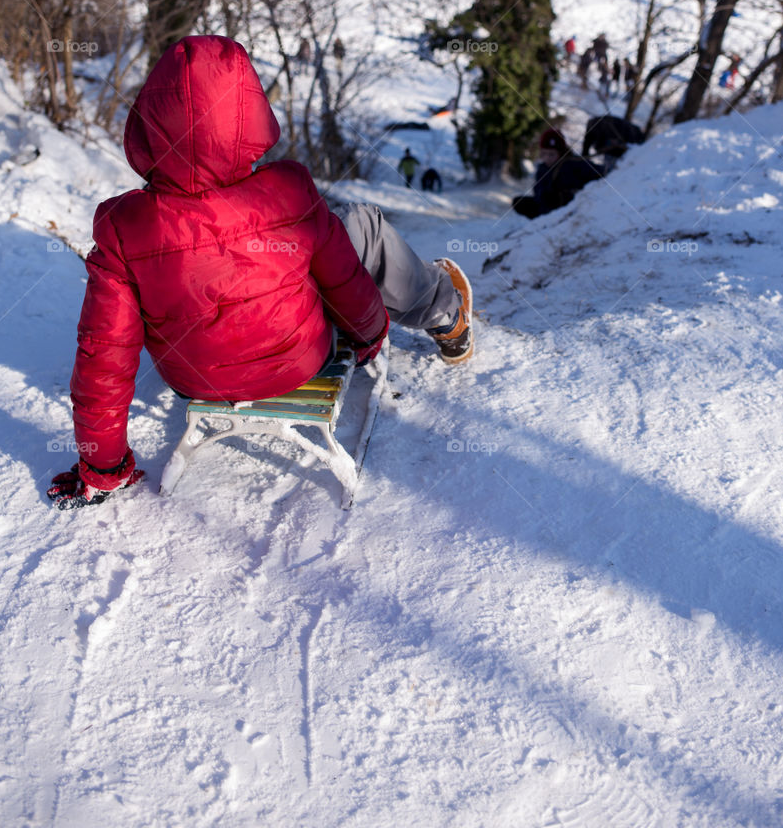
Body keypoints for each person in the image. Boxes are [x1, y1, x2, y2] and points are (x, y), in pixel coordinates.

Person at [47, 36, 473, 509]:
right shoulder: (288, 189)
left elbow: (104, 354)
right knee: (359, 225)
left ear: (149, 122)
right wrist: (369, 337)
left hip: (196, 381)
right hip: (300, 361)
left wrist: (103, 467)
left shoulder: (126, 226)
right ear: (247, 113)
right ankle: (444, 314)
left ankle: (437, 309)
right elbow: (344, 283)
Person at [511, 127, 605, 220]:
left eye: (551, 154)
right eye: (544, 154)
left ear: (561, 152)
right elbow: (538, 192)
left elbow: (600, 173)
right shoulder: (542, 169)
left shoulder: (574, 164)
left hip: (568, 210)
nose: (547, 158)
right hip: (544, 210)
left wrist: (564, 196)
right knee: (519, 202)